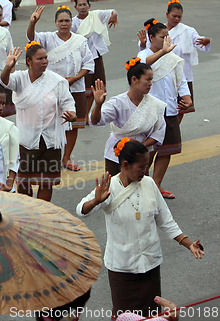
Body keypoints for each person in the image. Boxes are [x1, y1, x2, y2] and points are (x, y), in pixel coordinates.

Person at [76, 139, 204, 320]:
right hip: (122, 269)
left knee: (152, 316)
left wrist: (189, 244)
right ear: (125, 165)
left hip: (150, 266)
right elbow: (81, 210)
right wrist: (95, 201)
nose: (144, 171)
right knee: (124, 317)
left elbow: (166, 220)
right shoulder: (109, 186)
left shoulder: (149, 184)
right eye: (141, 167)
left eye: (146, 166)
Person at [0, 43, 77, 202]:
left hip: (50, 140)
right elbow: (4, 81)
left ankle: (42, 214)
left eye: (46, 58)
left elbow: (68, 102)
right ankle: (27, 212)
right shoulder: (20, 78)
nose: (44, 62)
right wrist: (8, 67)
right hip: (26, 139)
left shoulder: (56, 81)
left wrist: (72, 114)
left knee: (46, 182)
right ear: (29, 61)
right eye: (39, 59)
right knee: (23, 181)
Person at [27, 5, 94, 171]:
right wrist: (33, 22)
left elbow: (88, 63)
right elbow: (31, 38)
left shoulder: (80, 41)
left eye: (67, 20)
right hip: (51, 87)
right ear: (56, 23)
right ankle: (50, 156)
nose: (64, 23)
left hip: (75, 87)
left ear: (72, 22)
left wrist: (75, 78)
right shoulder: (48, 38)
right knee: (49, 122)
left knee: (72, 124)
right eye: (61, 21)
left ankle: (67, 157)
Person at [137, 19, 192, 200]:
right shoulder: (143, 56)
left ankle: (156, 185)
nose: (166, 39)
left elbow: (181, 81)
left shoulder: (172, 58)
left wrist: (187, 99)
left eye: (168, 36)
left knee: (166, 150)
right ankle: (141, 184)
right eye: (162, 37)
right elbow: (145, 64)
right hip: (151, 113)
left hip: (170, 111)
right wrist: (162, 52)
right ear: (151, 37)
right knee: (148, 151)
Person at [137, 0, 211, 124]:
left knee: (180, 107)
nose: (177, 19)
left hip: (182, 72)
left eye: (179, 16)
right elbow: (146, 55)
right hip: (161, 73)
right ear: (167, 14)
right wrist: (143, 44)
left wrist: (205, 41)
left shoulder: (188, 30)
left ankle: (174, 128)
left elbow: (198, 41)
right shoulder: (158, 31)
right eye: (174, 16)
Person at [90, 58, 166, 176]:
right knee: (115, 187)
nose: (151, 83)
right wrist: (98, 105)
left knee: (139, 189)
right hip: (116, 155)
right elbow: (96, 121)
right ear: (134, 79)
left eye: (151, 79)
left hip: (140, 155)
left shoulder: (155, 105)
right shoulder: (118, 102)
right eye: (148, 79)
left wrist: (140, 146)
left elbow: (159, 132)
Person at [71, 0, 118, 122]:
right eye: (79, 5)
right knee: (86, 88)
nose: (82, 7)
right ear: (75, 7)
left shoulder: (96, 15)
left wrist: (114, 16)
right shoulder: (74, 22)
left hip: (96, 56)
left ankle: (88, 114)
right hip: (83, 58)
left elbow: (113, 11)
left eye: (84, 4)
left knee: (96, 86)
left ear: (89, 6)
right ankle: (84, 114)